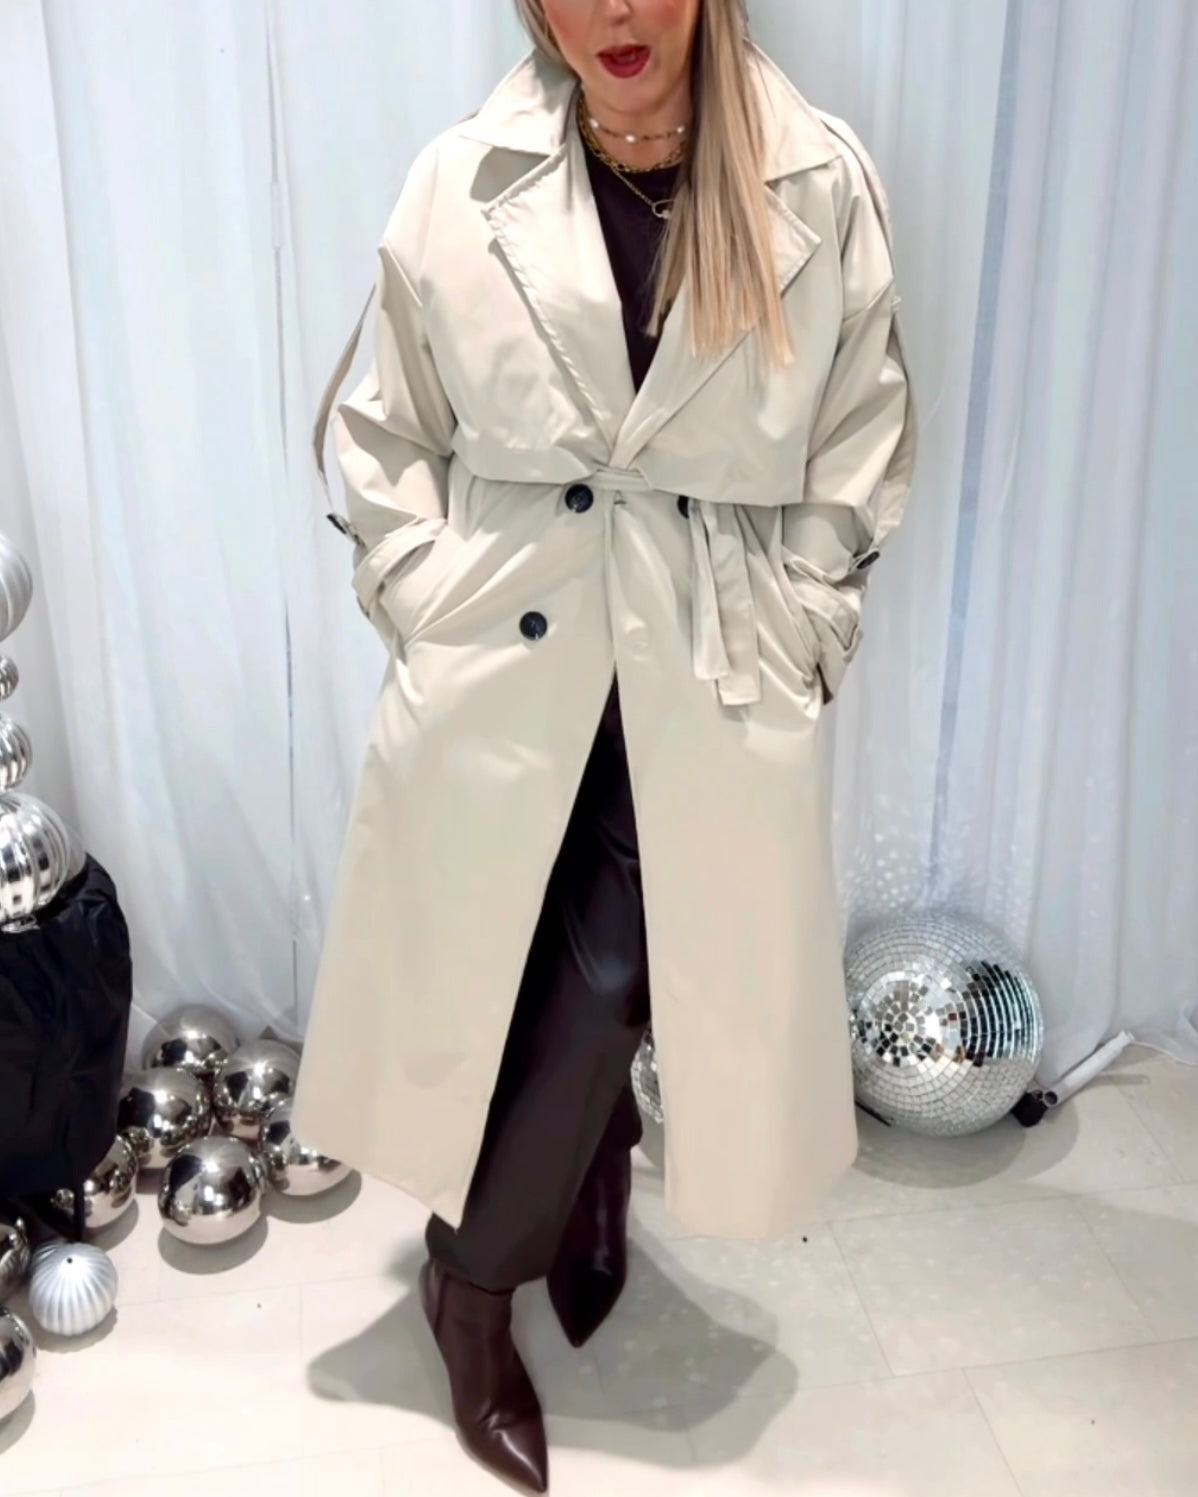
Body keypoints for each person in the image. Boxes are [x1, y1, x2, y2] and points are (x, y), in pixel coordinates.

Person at [290, 0, 916, 1489]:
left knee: (621, 966)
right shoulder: (465, 177)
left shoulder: (811, 178)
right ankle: (580, 1180)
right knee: (514, 961)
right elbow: (382, 429)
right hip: (508, 653)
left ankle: (469, 1274)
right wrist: (423, 593)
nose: (616, 11)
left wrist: (806, 623)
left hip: (710, 656)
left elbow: (860, 434)